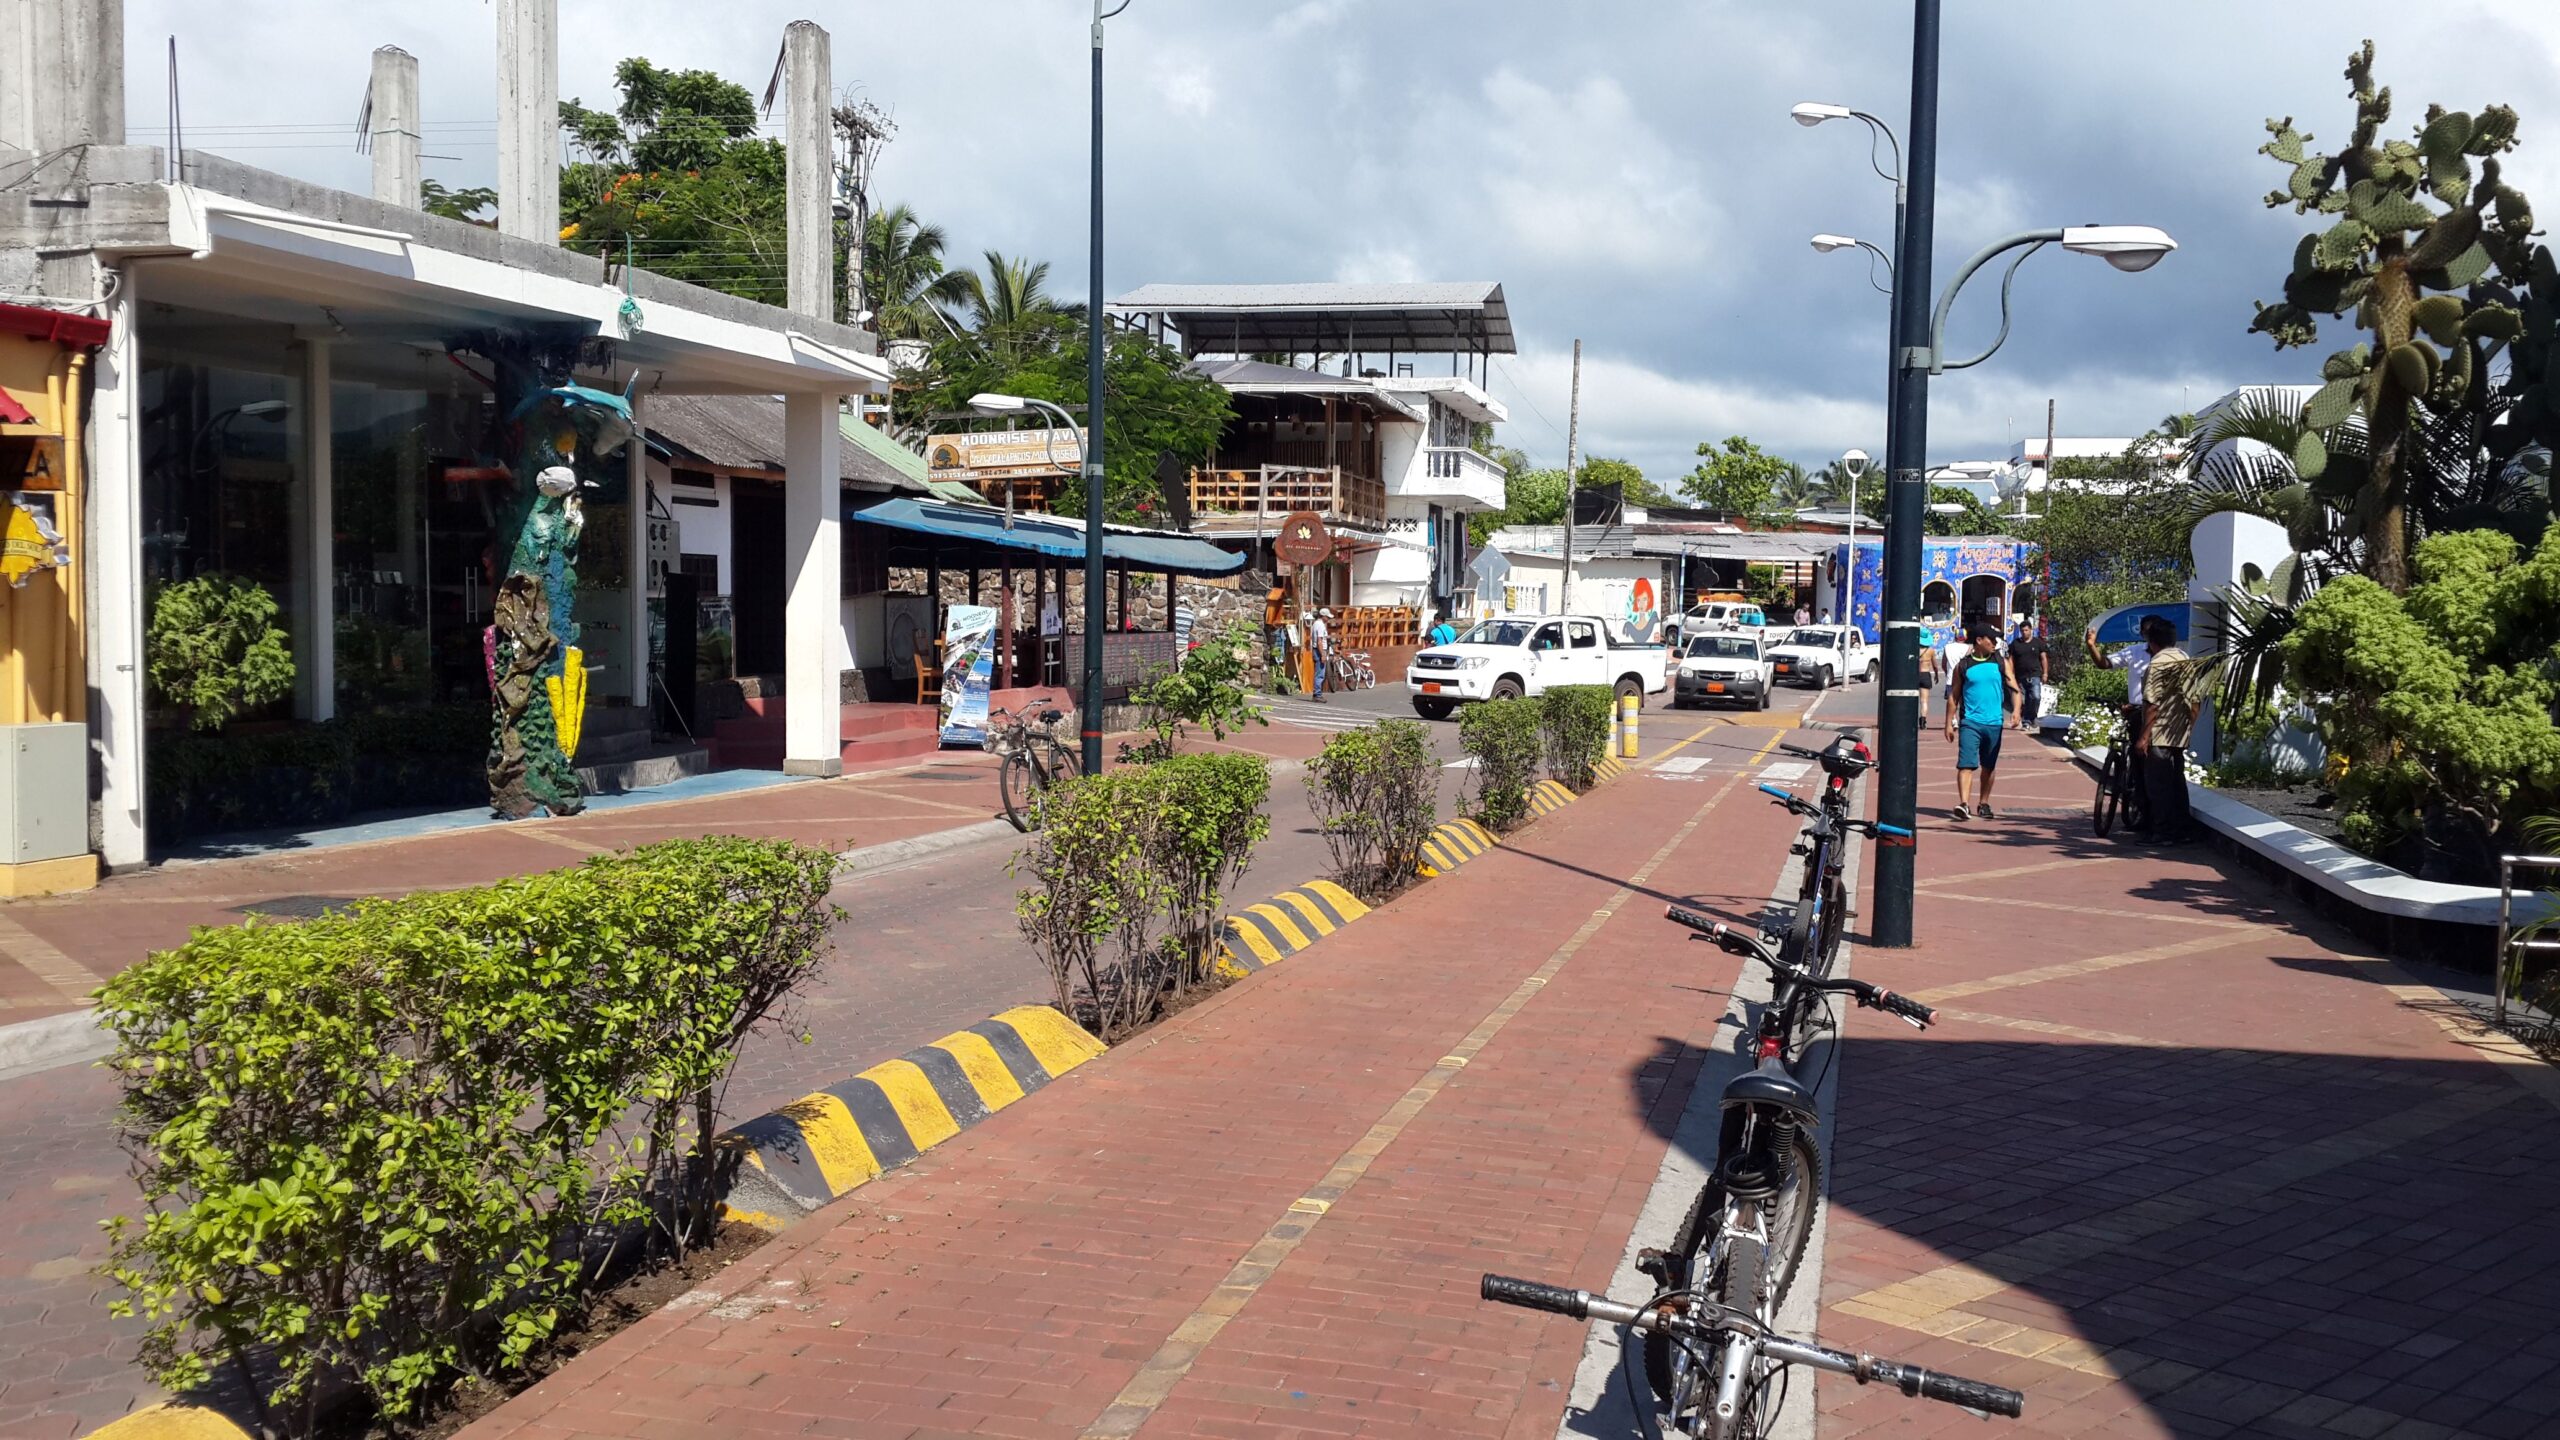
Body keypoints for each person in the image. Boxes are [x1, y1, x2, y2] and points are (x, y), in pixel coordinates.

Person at [1945, 621, 2019, 821]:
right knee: (1966, 764)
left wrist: (2017, 710)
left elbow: (2014, 687)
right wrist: (1948, 723)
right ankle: (1964, 804)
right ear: (1979, 640)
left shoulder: (2000, 662)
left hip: (1994, 723)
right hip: (1970, 722)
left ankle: (1983, 803)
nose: (1995, 643)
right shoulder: (1964, 665)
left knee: (1988, 766)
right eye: (1991, 639)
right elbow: (1954, 696)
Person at [2136, 617, 2196, 843]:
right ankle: (2182, 830)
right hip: (2179, 732)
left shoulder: (2157, 664)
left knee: (2158, 785)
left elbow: (2152, 704)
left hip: (2160, 733)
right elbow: (2195, 700)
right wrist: (2189, 726)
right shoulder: (2185, 660)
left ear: (2152, 642)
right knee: (2177, 782)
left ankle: (2162, 832)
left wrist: (2143, 737)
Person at [2011, 620, 2050, 726]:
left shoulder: (2038, 643)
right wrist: (2011, 674)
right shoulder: (2016, 644)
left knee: (2036, 697)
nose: (2024, 632)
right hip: (2021, 676)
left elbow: (2043, 658)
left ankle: (2032, 717)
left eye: (2026, 630)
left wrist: (2045, 673)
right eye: (2022, 630)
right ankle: (2026, 720)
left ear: (2031, 630)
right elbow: (2011, 659)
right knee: (2023, 700)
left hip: (2035, 675)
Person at [1309, 608, 1332, 701]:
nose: (1328, 619)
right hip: (1319, 651)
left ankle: (1317, 693)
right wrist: (1323, 654)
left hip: (1317, 650)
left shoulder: (1316, 624)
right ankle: (1317, 694)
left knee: (1319, 672)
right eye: (1327, 617)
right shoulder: (1320, 625)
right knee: (1320, 673)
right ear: (1323, 616)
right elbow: (1319, 641)